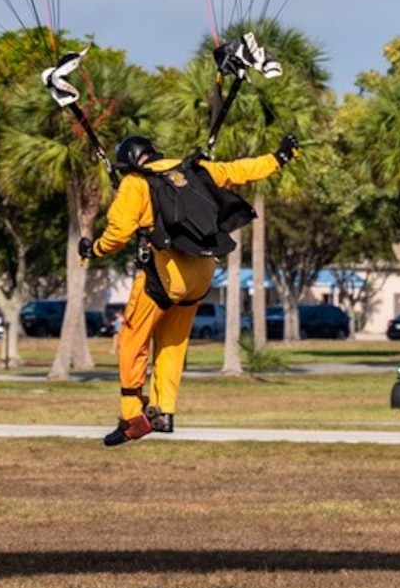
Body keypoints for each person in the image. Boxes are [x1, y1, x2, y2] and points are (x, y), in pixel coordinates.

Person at [81, 130, 295, 445]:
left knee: (132, 338)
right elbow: (239, 171)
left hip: (167, 276)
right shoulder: (193, 170)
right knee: (171, 342)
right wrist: (280, 157)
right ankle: (164, 411)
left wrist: (93, 249)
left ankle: (131, 416)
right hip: (203, 272)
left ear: (128, 164)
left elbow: (118, 233)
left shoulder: (135, 183)